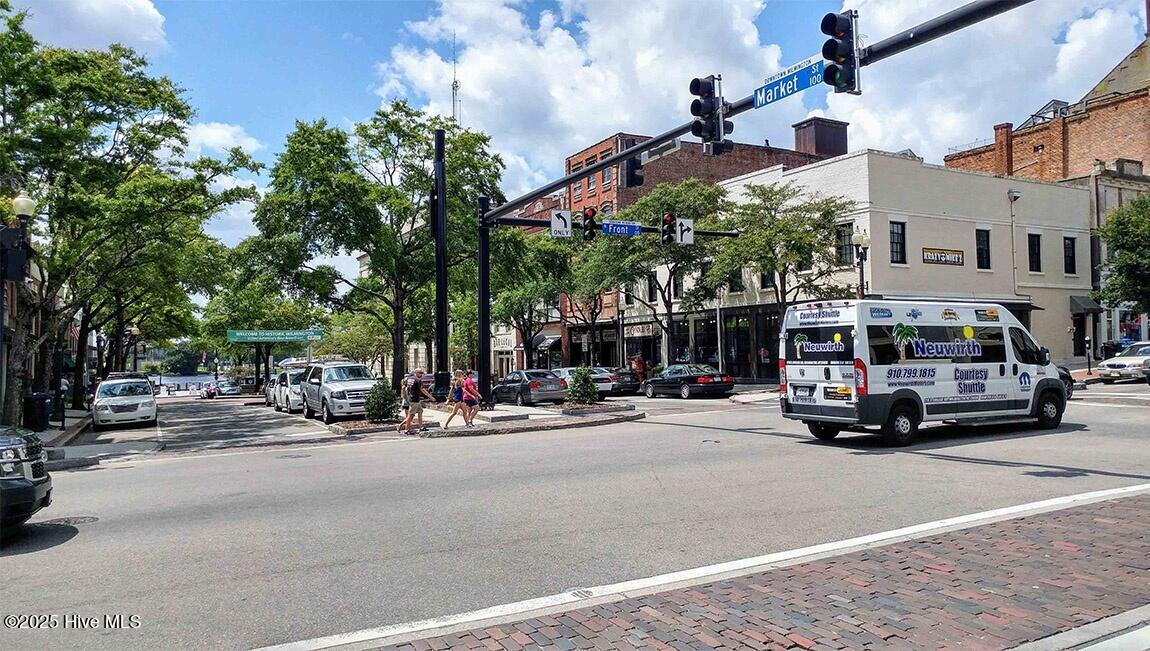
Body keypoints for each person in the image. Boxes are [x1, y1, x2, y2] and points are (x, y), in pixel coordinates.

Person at [398, 369, 436, 435]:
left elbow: (406, 388)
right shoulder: (418, 380)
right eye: (420, 373)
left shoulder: (409, 379)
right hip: (414, 400)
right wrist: (431, 397)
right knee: (411, 416)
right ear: (416, 373)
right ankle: (406, 429)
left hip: (413, 399)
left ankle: (421, 427)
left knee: (420, 411)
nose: (421, 375)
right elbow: (423, 390)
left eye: (422, 373)